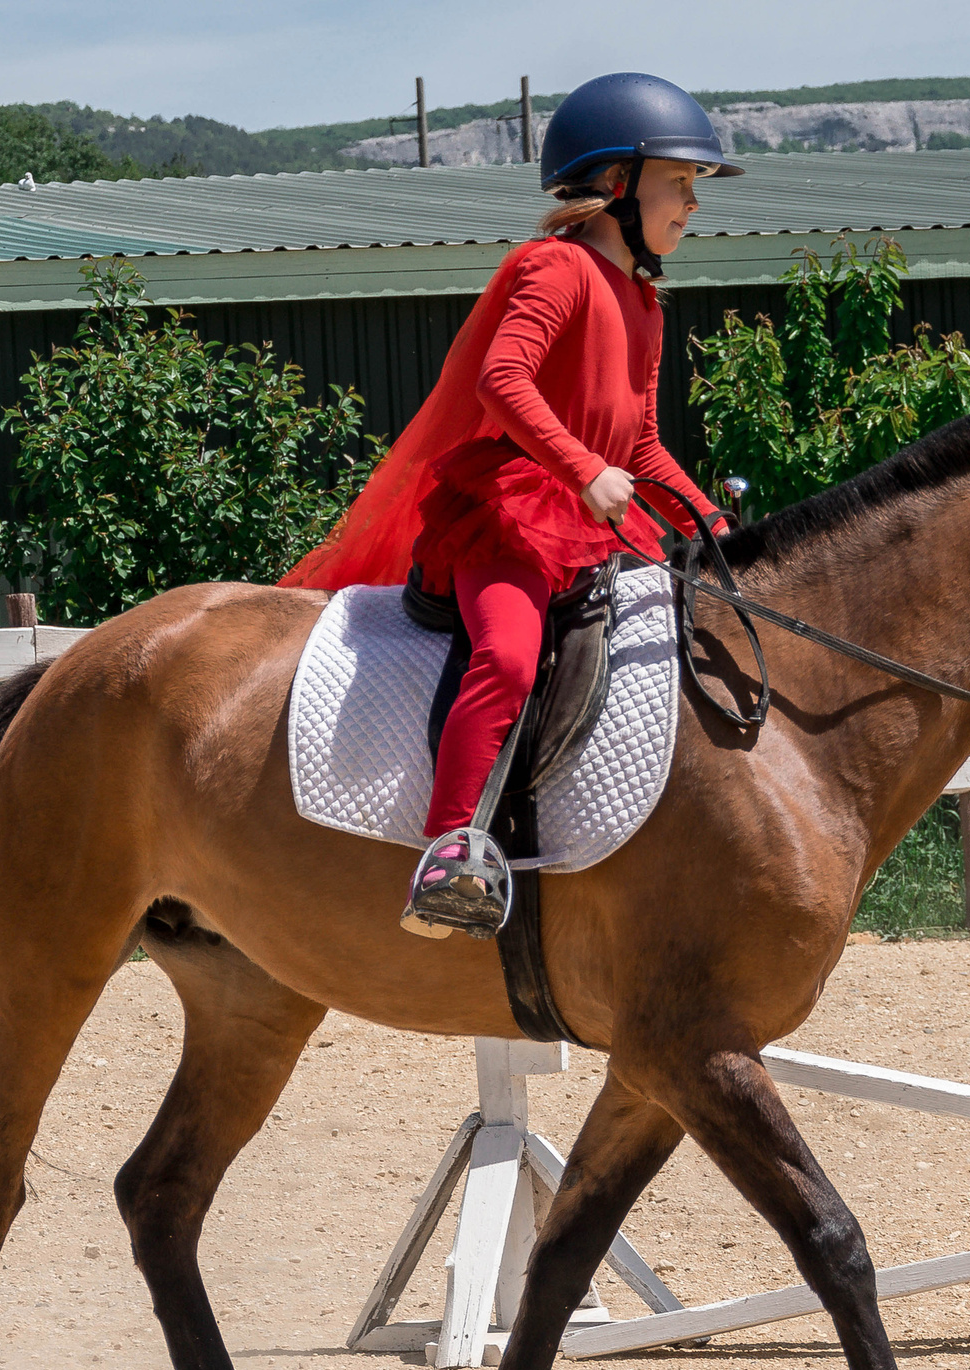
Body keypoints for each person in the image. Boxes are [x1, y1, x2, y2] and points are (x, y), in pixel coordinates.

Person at [286, 73, 739, 938]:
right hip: (513, 508)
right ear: (616, 182)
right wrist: (577, 469)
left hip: (589, 509)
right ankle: (447, 853)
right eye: (678, 181)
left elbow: (639, 447)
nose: (691, 201)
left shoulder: (644, 302)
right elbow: (502, 380)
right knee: (508, 654)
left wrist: (710, 526)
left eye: (695, 187)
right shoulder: (557, 267)